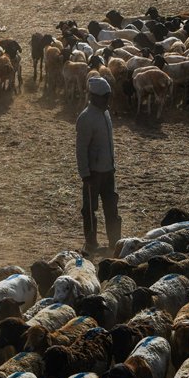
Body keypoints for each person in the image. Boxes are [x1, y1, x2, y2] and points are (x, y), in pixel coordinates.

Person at [76, 77, 121, 253]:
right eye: (105, 97)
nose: (108, 100)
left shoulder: (105, 113)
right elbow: (81, 149)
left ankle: (115, 242)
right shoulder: (86, 118)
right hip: (93, 173)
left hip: (108, 170)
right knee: (90, 209)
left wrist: (111, 164)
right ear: (94, 96)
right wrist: (84, 173)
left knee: (111, 207)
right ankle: (91, 243)